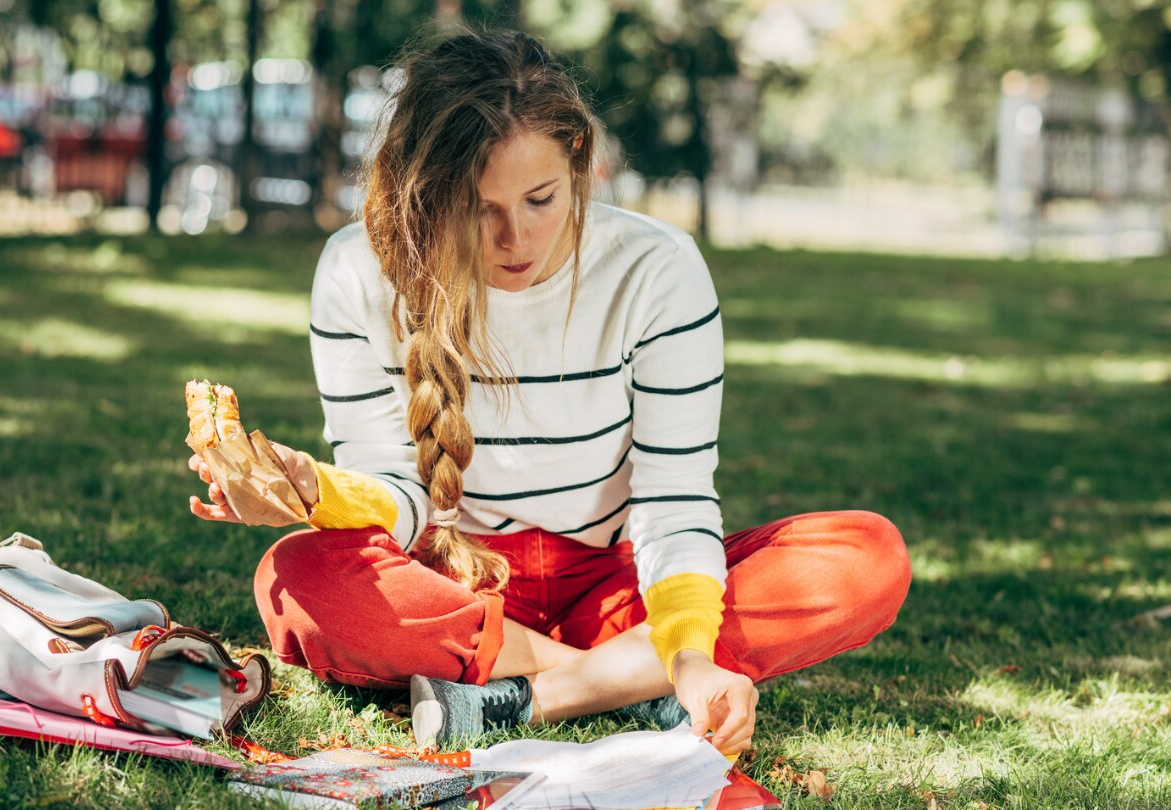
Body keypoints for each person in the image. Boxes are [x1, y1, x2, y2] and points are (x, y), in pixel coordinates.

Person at [188, 27, 911, 756]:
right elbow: (398, 500)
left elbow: (675, 496)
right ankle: (632, 686)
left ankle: (539, 698)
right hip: (453, 587)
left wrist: (691, 649)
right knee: (297, 577)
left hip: (617, 591)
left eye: (540, 199)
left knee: (866, 556)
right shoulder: (356, 271)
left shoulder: (657, 270)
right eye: (479, 208)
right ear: (429, 194)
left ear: (580, 163)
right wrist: (318, 491)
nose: (515, 239)